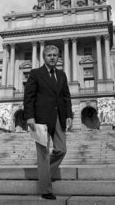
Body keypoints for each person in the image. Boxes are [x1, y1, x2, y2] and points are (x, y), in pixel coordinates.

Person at [24, 45, 72, 200]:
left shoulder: (62, 75)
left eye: (55, 55)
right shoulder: (35, 73)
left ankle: (43, 173)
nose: (52, 57)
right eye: (49, 55)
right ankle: (46, 189)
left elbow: (66, 96)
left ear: (59, 57)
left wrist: (69, 114)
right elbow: (29, 97)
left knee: (62, 149)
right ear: (44, 57)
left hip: (59, 116)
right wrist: (29, 117)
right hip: (39, 119)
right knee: (43, 154)